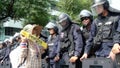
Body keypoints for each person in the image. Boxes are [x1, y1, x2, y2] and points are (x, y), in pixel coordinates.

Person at [80, 0, 120, 66]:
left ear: (105, 6)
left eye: (98, 6)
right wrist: (86, 52)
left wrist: (116, 44)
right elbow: (91, 38)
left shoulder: (116, 17)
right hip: (99, 52)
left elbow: (118, 32)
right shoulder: (96, 21)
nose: (96, 9)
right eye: (95, 7)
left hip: (112, 51)